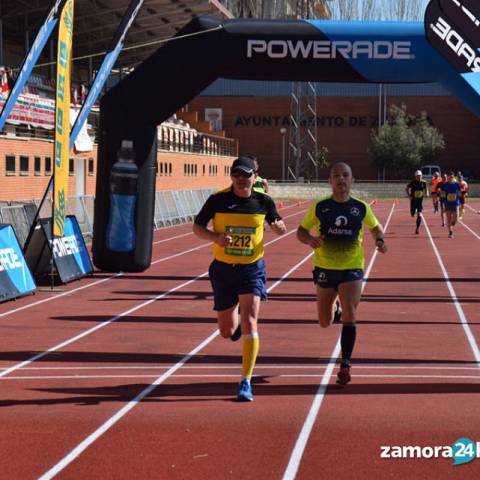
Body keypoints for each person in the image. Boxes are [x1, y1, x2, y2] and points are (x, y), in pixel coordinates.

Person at [193, 156, 287, 401]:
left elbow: (277, 222)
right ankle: (235, 330)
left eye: (246, 175)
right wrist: (216, 238)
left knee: (250, 321)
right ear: (232, 176)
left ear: (255, 176)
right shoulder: (218, 199)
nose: (241, 180)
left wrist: (279, 227)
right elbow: (197, 227)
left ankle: (245, 380)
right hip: (223, 269)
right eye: (237, 175)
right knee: (226, 331)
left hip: (251, 269)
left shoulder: (263, 201)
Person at [296, 162, 387, 386]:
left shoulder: (361, 207)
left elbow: (375, 227)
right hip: (325, 268)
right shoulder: (320, 207)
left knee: (351, 315)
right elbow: (301, 231)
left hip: (352, 268)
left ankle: (345, 364)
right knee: (324, 321)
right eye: (336, 176)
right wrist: (310, 239)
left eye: (345, 175)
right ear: (330, 180)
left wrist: (380, 240)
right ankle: (333, 307)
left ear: (352, 179)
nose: (341, 179)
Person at [406, 170, 428, 234]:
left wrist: (427, 193)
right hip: (413, 201)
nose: (419, 177)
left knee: (419, 215)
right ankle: (413, 212)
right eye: (418, 176)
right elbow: (406, 188)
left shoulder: (424, 182)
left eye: (420, 176)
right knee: (412, 214)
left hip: (420, 201)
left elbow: (426, 188)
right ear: (415, 176)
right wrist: (409, 196)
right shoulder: (412, 182)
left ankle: (417, 229)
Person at [443, 171, 461, 238]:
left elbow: (459, 192)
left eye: (452, 177)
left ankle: (452, 223)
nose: (451, 178)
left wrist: (461, 194)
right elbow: (442, 193)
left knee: (455, 219)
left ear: (454, 177)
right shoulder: (445, 185)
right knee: (448, 218)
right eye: (450, 177)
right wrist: (441, 194)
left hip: (455, 203)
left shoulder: (456, 184)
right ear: (448, 177)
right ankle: (450, 233)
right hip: (448, 203)